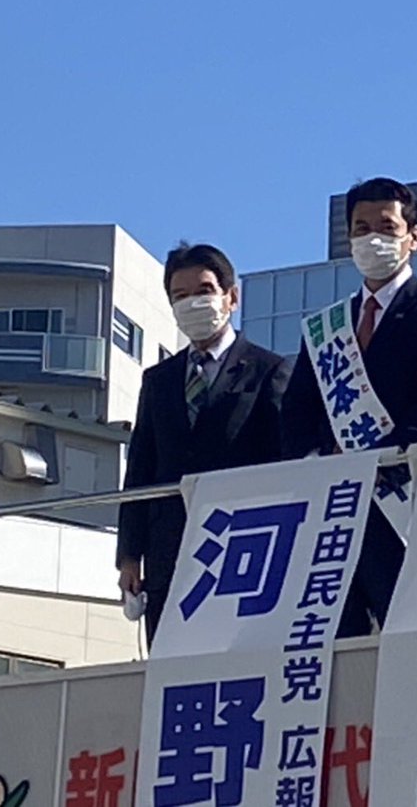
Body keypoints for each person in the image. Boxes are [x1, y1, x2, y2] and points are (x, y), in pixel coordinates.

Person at [282, 176, 417, 636]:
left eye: (387, 227)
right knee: (333, 642)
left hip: (402, 504)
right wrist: (316, 461)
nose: (373, 239)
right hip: (334, 509)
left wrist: (380, 462)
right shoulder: (328, 328)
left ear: (413, 237)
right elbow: (296, 411)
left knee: (406, 634)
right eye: (361, 228)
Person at [116, 242, 291, 644]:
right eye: (180, 295)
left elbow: (285, 461)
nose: (193, 303)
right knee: (169, 659)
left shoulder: (269, 370)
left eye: (204, 291)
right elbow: (140, 469)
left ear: (232, 297)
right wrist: (129, 556)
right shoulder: (158, 381)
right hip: (168, 550)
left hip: (241, 545)